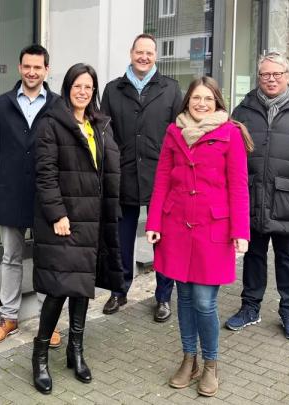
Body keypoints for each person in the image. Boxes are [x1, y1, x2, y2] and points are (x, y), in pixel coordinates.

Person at [145, 76, 252, 397]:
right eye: (196, 98)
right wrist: (154, 222)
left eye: (207, 98)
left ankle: (210, 364)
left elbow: (238, 186)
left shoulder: (230, 133)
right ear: (187, 101)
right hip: (176, 227)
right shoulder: (174, 132)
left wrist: (241, 231)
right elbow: (162, 179)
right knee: (185, 298)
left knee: (205, 302)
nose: (201, 104)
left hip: (213, 229)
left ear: (216, 102)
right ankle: (188, 358)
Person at [31, 63, 124, 394]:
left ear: (94, 90)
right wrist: (57, 214)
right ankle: (40, 356)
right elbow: (45, 174)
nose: (83, 92)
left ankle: (76, 350)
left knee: (82, 285)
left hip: (92, 219)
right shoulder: (51, 124)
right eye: (77, 86)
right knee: (59, 288)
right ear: (68, 88)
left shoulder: (99, 124)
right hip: (64, 221)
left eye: (88, 87)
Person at [225, 52, 289, 340]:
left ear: (287, 75)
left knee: (287, 256)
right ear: (258, 77)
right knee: (253, 255)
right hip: (253, 194)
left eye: (276, 74)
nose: (271, 79)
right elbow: (229, 152)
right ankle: (250, 307)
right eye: (265, 74)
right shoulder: (244, 109)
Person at [0, 45, 61, 346]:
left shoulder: (58, 105)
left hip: (45, 195)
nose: (32, 72)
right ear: (19, 68)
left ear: (46, 70)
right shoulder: (2, 104)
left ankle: (47, 321)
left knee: (46, 259)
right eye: (27, 66)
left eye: (37, 67)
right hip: (10, 192)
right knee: (11, 257)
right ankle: (9, 317)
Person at [100, 33, 182, 321]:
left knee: (164, 239)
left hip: (162, 176)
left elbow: (179, 133)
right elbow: (105, 134)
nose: (144, 57)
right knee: (121, 238)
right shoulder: (113, 89)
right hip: (124, 174)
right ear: (131, 53)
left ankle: (163, 296)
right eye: (139, 52)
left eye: (149, 52)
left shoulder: (171, 89)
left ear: (156, 56)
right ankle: (119, 290)